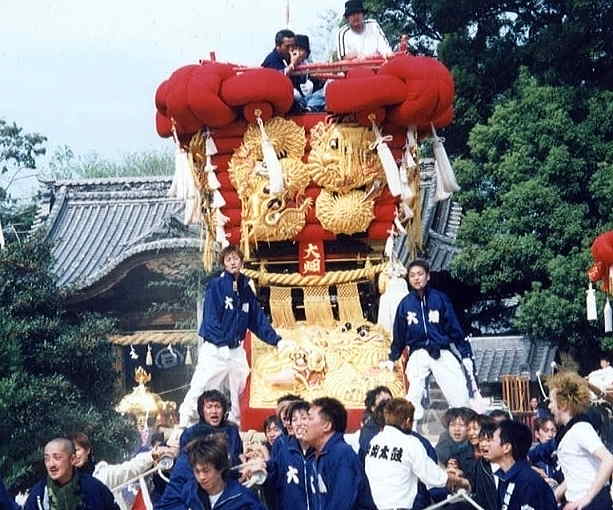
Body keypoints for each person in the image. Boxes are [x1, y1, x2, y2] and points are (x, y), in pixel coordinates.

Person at [179, 245, 291, 427]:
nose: (233, 262)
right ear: (223, 263)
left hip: (235, 349)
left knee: (241, 383)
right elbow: (211, 317)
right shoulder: (216, 286)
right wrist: (221, 343)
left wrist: (277, 340)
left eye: (236, 258)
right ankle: (185, 420)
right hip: (215, 348)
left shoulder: (246, 289)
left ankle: (237, 421)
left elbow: (257, 320)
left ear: (241, 261)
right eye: (228, 259)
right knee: (203, 383)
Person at [383, 259, 475, 422]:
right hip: (418, 353)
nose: (416, 278)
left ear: (428, 276)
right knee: (413, 395)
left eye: (420, 274)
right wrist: (392, 358)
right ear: (408, 279)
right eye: (412, 275)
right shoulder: (405, 305)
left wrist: (465, 353)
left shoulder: (440, 299)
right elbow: (399, 335)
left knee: (459, 390)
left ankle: (464, 425)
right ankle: (410, 429)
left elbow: (454, 328)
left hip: (441, 350)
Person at [365, 398, 456, 510]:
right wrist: (459, 481)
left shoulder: (375, 441)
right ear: (407, 421)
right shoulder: (411, 443)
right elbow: (431, 476)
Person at [161, 391, 244, 508]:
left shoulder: (232, 430)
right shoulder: (191, 433)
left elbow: (238, 456)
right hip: (196, 482)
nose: (214, 411)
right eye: (209, 407)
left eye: (218, 406)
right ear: (201, 411)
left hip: (229, 482)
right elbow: (184, 467)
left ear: (224, 410)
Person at [547, 371, 613, 510]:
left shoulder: (580, 428)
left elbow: (608, 460)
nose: (549, 407)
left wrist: (586, 498)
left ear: (563, 404)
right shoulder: (570, 431)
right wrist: (555, 494)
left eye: (552, 402)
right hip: (577, 503)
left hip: (593, 504)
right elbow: (575, 474)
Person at [303, 397, 375, 510]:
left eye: (310, 418)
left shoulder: (342, 455)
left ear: (327, 426)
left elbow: (341, 503)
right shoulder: (315, 456)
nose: (304, 423)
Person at [70, 432, 172, 510]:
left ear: (87, 450)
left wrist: (152, 456)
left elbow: (129, 468)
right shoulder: (64, 482)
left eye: (78, 450)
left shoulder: (103, 474)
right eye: (71, 452)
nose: (75, 455)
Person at [163, 435, 265, 510]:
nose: (201, 477)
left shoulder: (243, 498)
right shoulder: (189, 491)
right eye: (197, 471)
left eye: (206, 471)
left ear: (220, 468)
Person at [24, 438, 119, 510]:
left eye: (57, 457)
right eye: (47, 459)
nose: (51, 464)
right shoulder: (39, 493)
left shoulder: (94, 487)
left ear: (72, 459)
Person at [486, 421, 557, 510]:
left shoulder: (528, 482)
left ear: (506, 447)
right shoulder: (505, 477)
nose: (486, 444)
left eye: (491, 440)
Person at [264, 401, 315, 510]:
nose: (299, 423)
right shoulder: (282, 445)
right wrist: (263, 468)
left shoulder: (320, 449)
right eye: (294, 419)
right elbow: (273, 482)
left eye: (303, 418)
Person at [289, 35, 325, 112]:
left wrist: (319, 79)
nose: (298, 53)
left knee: (323, 92)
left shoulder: (309, 65)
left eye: (301, 50)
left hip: (310, 98)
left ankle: (310, 108)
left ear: (306, 52)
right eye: (295, 49)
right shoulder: (288, 65)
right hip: (297, 99)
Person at [358, 385, 392, 464]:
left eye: (389, 401)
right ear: (372, 407)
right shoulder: (368, 431)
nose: (388, 405)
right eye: (383, 402)